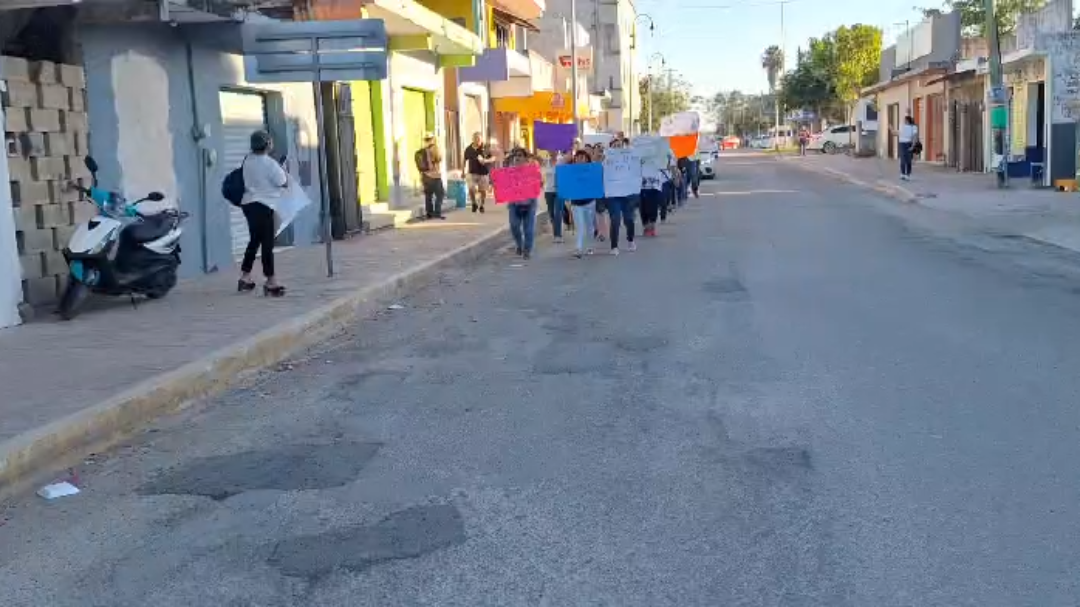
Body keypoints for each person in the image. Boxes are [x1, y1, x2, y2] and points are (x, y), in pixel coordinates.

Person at [238, 130, 287, 297]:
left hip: (249, 205)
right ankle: (271, 281)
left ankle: (245, 277)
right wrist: (281, 168)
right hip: (264, 206)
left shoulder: (248, 160)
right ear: (267, 144)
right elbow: (282, 181)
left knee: (254, 241)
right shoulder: (270, 164)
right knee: (267, 244)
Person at [503, 148, 539, 259]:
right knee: (514, 226)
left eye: (519, 155)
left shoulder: (532, 170)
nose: (517, 157)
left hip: (530, 203)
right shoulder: (509, 171)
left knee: (528, 229)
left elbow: (537, 185)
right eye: (515, 156)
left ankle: (527, 250)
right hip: (514, 204)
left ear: (525, 158)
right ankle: (519, 245)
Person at [605, 138, 637, 255]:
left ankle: (630, 239)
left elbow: (637, 169)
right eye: (614, 146)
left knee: (628, 219)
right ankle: (614, 246)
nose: (617, 148)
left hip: (627, 194)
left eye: (619, 145)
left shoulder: (629, 158)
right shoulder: (606, 159)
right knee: (615, 219)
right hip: (613, 195)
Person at [567, 149, 597, 258]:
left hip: (590, 203)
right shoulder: (570, 171)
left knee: (589, 226)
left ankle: (590, 246)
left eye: (583, 157)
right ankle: (578, 248)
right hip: (576, 203)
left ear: (586, 159)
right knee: (580, 227)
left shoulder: (592, 169)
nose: (580, 159)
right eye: (578, 157)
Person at [462, 132, 494, 213]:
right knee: (471, 188)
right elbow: (464, 160)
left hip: (483, 173)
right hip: (472, 173)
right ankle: (474, 203)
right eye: (476, 139)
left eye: (479, 139)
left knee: (483, 191)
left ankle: (482, 205)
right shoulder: (468, 149)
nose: (478, 141)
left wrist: (485, 160)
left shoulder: (485, 148)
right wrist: (462, 171)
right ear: (473, 139)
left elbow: (493, 158)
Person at [416, 133, 445, 219]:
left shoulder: (422, 150)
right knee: (440, 194)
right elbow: (439, 158)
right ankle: (437, 212)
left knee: (428, 195)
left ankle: (429, 213)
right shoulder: (434, 148)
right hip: (435, 176)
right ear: (432, 139)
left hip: (425, 176)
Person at [542, 152, 564, 244]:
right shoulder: (545, 162)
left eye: (554, 149)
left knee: (557, 212)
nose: (552, 151)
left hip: (560, 191)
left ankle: (557, 235)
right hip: (548, 191)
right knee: (551, 214)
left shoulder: (561, 161)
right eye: (550, 150)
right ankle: (556, 230)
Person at [640, 159, 664, 237]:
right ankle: (646, 226)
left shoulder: (658, 153)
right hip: (642, 185)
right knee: (643, 208)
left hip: (654, 185)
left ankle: (652, 227)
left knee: (653, 207)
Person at [897, 115, 919, 181]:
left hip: (908, 143)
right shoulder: (902, 126)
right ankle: (902, 174)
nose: (904, 121)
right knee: (902, 159)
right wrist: (892, 129)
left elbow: (915, 137)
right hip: (901, 144)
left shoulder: (913, 127)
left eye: (905, 120)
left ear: (908, 120)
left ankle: (908, 175)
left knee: (908, 160)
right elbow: (898, 133)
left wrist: (913, 146)